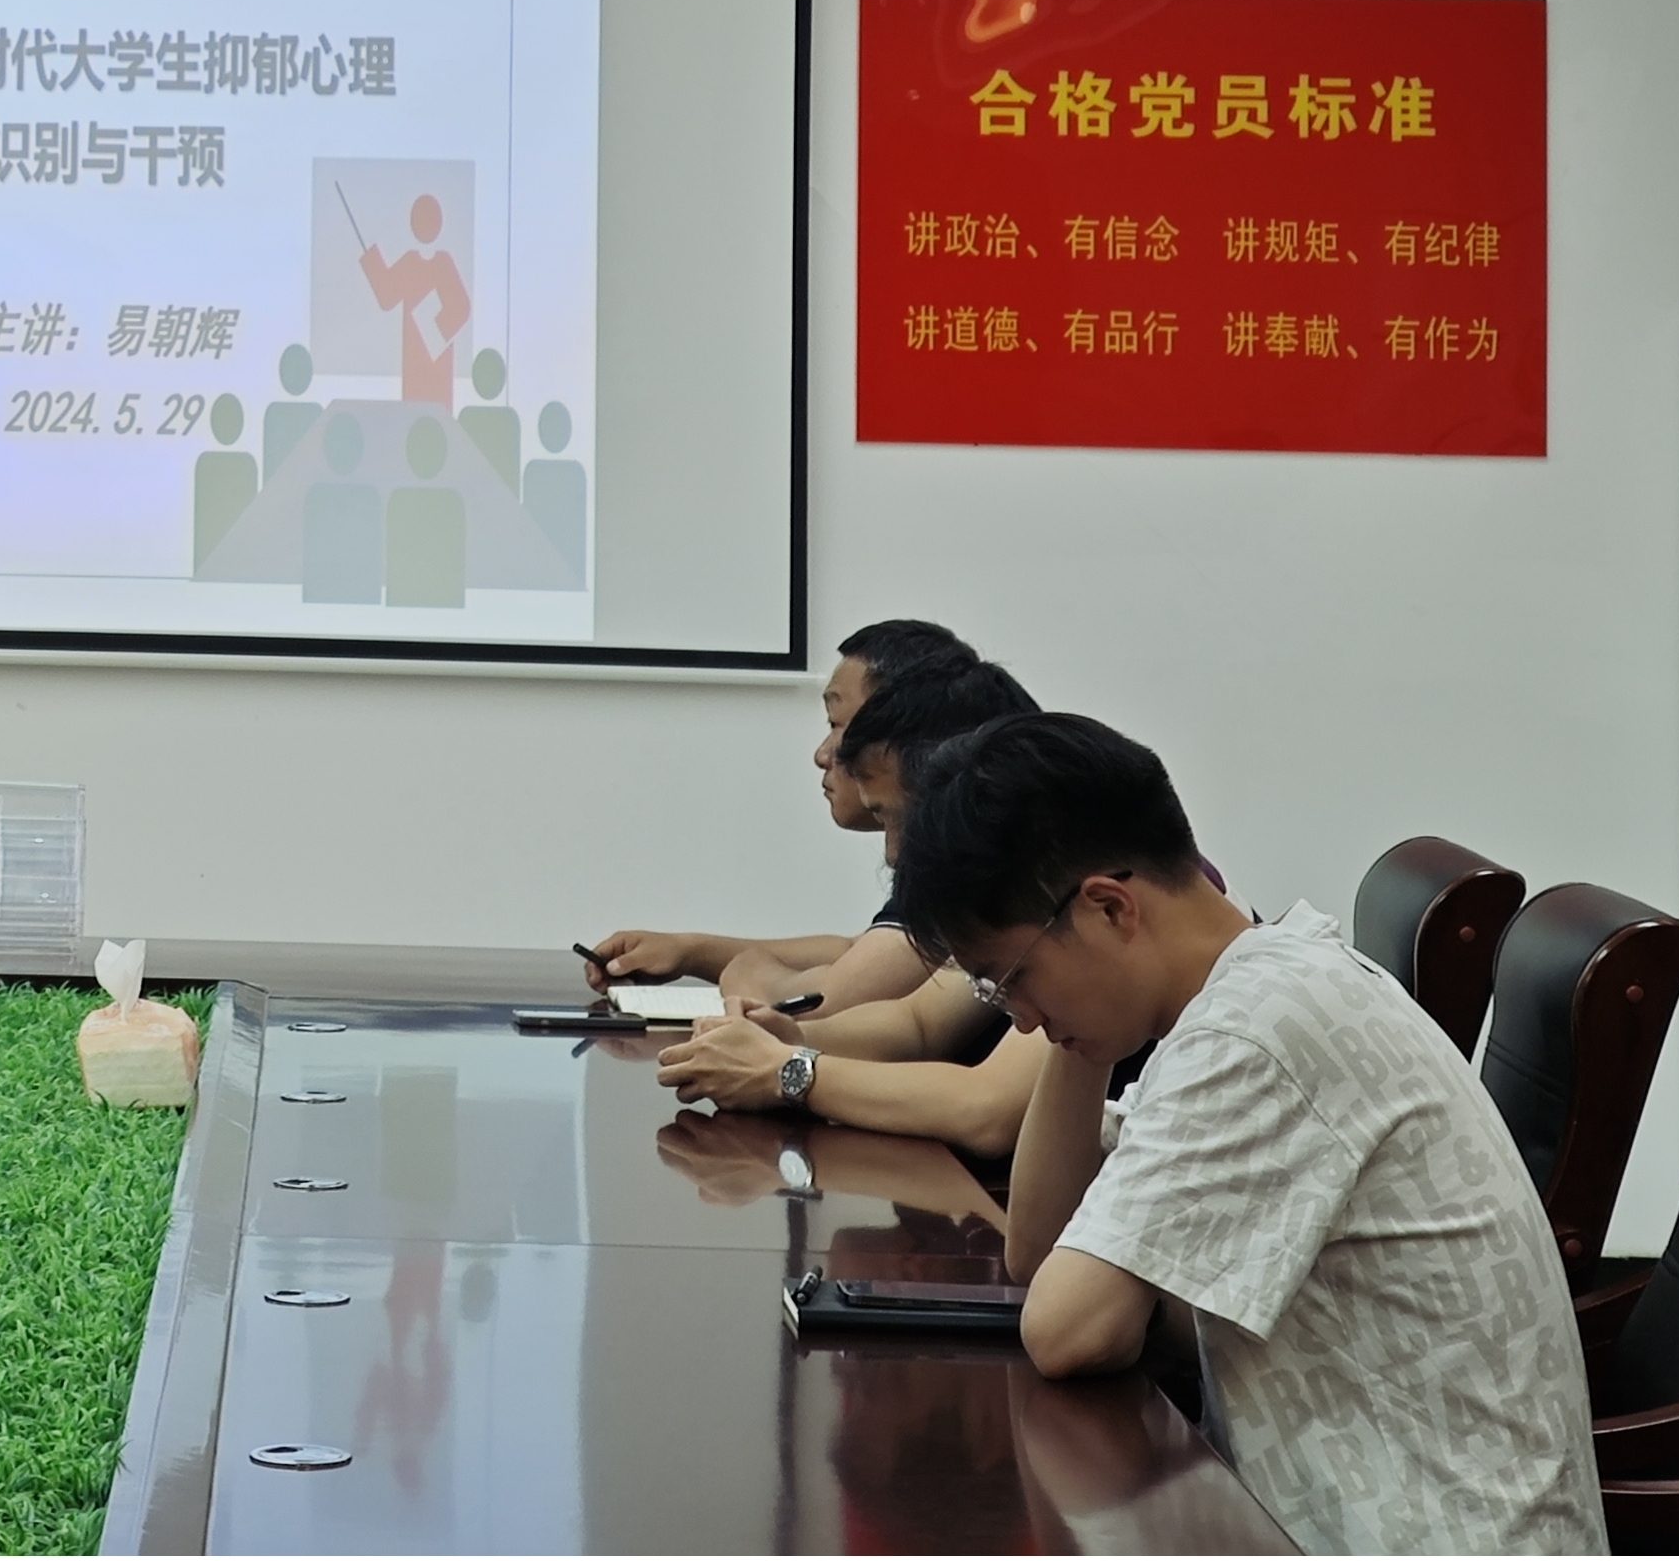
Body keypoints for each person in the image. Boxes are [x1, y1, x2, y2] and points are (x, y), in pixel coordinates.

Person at [890, 712, 1604, 1555]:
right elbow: (1041, 1249)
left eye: (1011, 979)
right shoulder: (1251, 987)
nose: (1021, 1017)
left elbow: (1068, 1330)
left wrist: (1076, 1012)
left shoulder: (1259, 1028)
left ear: (1111, 906)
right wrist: (1080, 1037)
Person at [652, 652, 1051, 1154]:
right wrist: (789, 1037)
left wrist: (786, 1071)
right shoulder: (1019, 890)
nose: (894, 853)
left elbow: (988, 1111)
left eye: (896, 819)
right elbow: (918, 1025)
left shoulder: (1064, 899)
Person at [589, 617, 971, 1015]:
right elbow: (859, 951)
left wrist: (753, 978)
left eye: (839, 727)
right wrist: (690, 951)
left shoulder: (964, 856)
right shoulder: (940, 845)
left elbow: (835, 997)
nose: (823, 755)